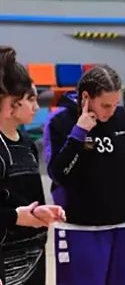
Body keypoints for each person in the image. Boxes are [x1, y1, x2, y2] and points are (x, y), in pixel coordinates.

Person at [43, 65, 125, 285]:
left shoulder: (123, 118)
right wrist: (79, 134)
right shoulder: (60, 122)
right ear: (86, 97)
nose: (110, 111)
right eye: (105, 105)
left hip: (120, 229)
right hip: (78, 231)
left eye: (115, 104)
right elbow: (58, 174)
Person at [0, 46, 64, 285]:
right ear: (10, 104)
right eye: (30, 99)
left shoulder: (26, 143)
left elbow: (27, 200)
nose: (37, 107)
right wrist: (16, 217)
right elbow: (13, 213)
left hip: (33, 257)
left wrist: (40, 213)